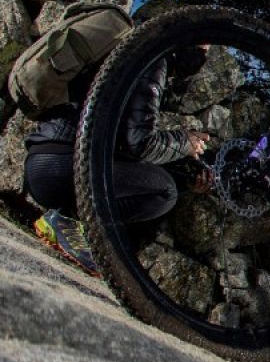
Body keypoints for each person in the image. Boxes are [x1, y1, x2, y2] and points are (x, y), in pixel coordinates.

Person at [24, 45, 211, 276]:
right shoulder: (153, 58)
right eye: (203, 47)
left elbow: (124, 149)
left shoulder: (122, 52)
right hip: (65, 166)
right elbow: (141, 143)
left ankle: (66, 223)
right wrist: (185, 143)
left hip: (41, 163)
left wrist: (185, 180)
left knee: (163, 184)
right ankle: (71, 223)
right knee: (165, 191)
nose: (203, 54)